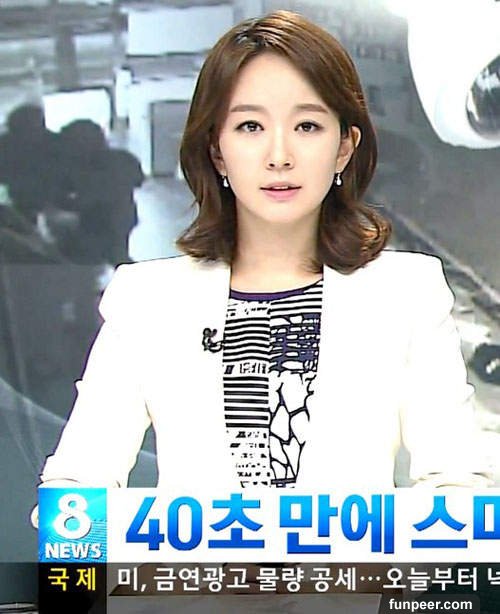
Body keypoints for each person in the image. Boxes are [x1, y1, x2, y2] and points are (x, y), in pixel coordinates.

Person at [35, 10, 491, 501]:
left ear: (344, 148)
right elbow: (76, 488)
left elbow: (457, 484)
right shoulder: (147, 300)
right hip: (195, 556)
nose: (279, 155)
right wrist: (88, 535)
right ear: (216, 150)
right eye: (250, 126)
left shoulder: (407, 292)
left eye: (307, 126)